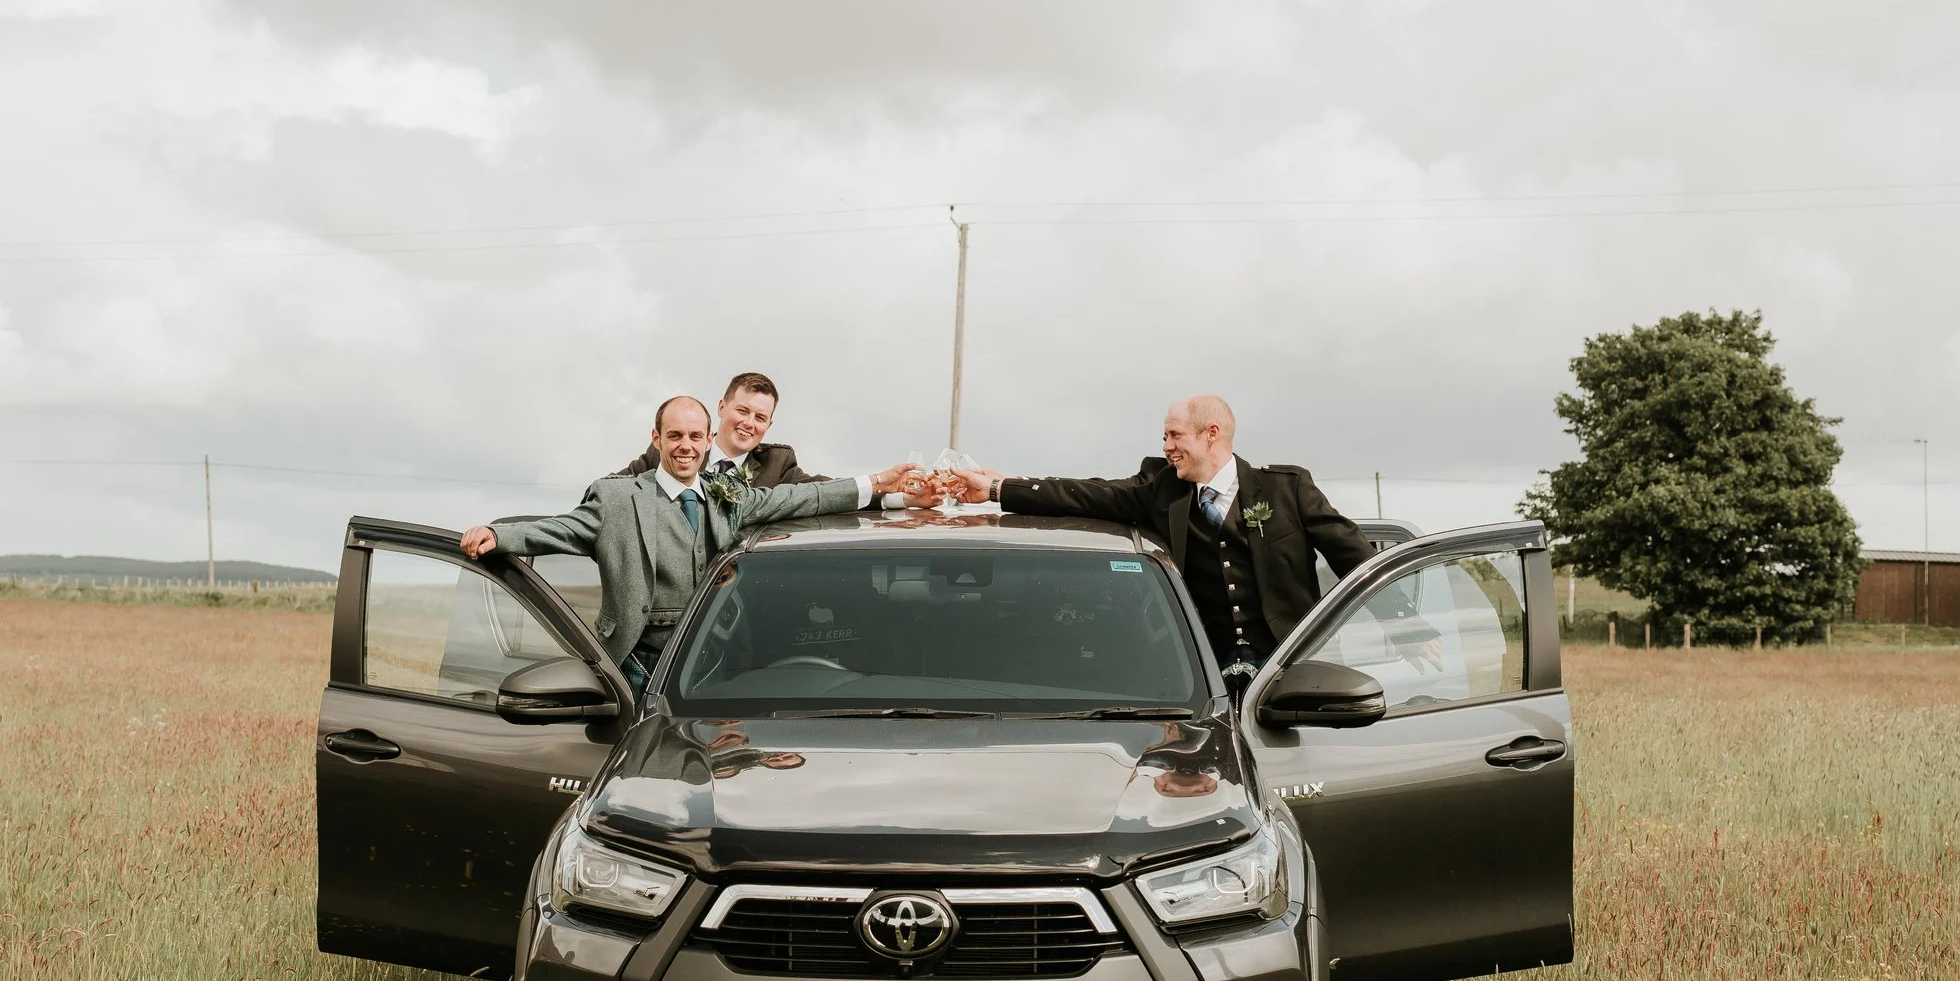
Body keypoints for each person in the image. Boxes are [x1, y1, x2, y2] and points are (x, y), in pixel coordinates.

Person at [463, 395, 915, 698]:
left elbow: (799, 496)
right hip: (639, 665)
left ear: (707, 442)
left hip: (714, 664)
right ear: (657, 439)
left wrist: (877, 484)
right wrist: (500, 535)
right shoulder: (618, 497)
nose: (685, 446)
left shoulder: (726, 495)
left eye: (695, 437)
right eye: (675, 436)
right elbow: (562, 528)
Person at [950, 395, 1376, 683]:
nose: (1167, 446)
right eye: (1165, 437)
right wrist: (998, 488)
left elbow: (1354, 555)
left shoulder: (1287, 488)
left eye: (1175, 435)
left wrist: (1413, 629)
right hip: (1205, 669)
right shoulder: (1162, 491)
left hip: (1291, 662)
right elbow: (1090, 494)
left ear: (1211, 433)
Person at [615, 371, 826, 490]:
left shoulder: (777, 465)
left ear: (768, 425)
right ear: (721, 407)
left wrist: (860, 489)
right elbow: (609, 489)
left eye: (760, 418)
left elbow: (827, 491)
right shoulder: (672, 450)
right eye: (743, 411)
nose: (749, 423)